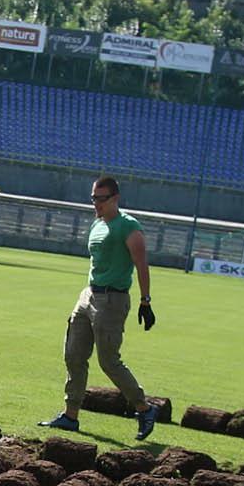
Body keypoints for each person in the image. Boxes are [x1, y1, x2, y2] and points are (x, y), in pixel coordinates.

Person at [43, 175, 164, 442]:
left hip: (112, 300)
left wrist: (146, 300)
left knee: (109, 361)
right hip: (88, 294)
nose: (96, 203)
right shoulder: (97, 224)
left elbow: (142, 264)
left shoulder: (128, 226)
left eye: (101, 198)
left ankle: (144, 409)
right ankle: (70, 416)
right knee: (73, 354)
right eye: (93, 198)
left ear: (115, 198)